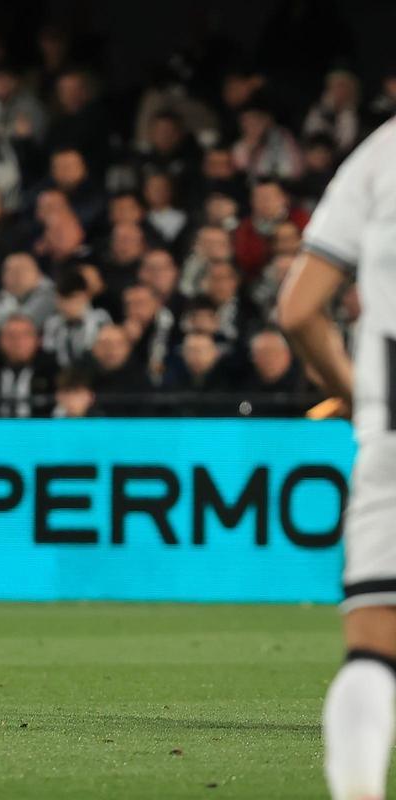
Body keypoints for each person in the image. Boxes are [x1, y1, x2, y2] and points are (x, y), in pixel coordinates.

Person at [277, 117, 396, 800]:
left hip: (393, 430)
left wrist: (356, 396)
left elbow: (298, 311)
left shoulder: (380, 155)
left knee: (373, 656)